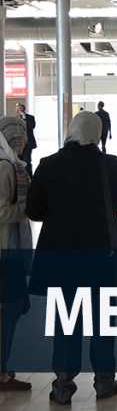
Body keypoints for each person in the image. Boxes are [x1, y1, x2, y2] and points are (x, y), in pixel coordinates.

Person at [26, 112, 117, 405]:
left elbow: (34, 211)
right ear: (97, 134)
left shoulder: (48, 164)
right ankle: (104, 382)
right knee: (103, 322)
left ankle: (63, 386)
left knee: (65, 323)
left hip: (61, 260)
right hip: (101, 258)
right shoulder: (109, 164)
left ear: (71, 131)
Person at [0, 116, 32, 392]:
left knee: (13, 310)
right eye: (22, 136)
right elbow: (1, 212)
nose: (25, 141)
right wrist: (28, 209)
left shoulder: (14, 166)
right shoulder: (4, 168)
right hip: (6, 253)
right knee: (8, 311)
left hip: (12, 251)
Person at [15, 104, 36, 175]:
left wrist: (24, 118)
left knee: (27, 160)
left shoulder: (30, 118)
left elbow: (31, 126)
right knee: (19, 160)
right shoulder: (15, 119)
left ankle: (29, 176)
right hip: (19, 144)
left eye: (18, 110)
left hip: (28, 143)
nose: (17, 112)